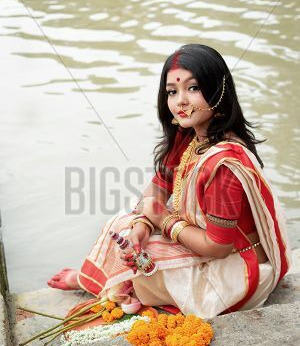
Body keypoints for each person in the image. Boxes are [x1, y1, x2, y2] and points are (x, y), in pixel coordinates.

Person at [48, 44, 291, 318]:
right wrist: (142, 225)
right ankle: (119, 283)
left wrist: (163, 220)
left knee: (145, 259)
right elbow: (158, 189)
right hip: (206, 244)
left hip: (238, 269)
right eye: (172, 92)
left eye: (193, 88)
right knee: (124, 228)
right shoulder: (190, 136)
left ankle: (112, 285)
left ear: (218, 90)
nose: (180, 101)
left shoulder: (225, 164)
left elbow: (219, 247)